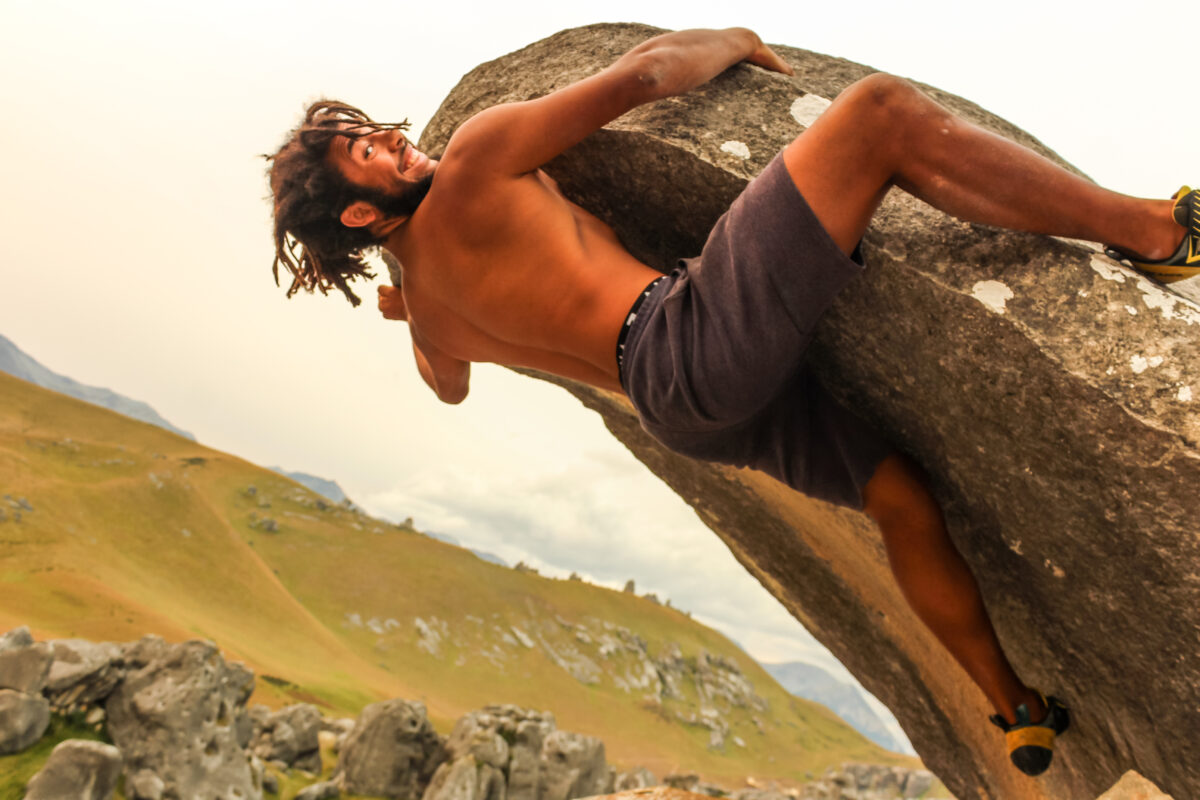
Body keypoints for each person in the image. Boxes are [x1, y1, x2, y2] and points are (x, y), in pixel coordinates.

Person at [266, 26, 1198, 776]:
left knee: (898, 497)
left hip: (679, 411)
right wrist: (733, 39)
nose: (391, 138)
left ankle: (1018, 712)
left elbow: (449, 389)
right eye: (368, 152)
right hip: (684, 339)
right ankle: (1159, 232)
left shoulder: (428, 311)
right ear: (356, 210)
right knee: (875, 114)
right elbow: (639, 79)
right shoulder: (473, 162)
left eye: (372, 130)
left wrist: (404, 308)